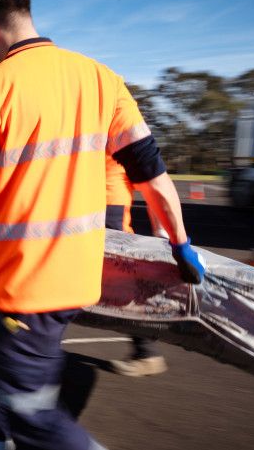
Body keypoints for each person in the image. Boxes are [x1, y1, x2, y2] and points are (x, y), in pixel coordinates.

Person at [0, 0, 206, 449]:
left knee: (30, 413)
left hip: (29, 283)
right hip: (79, 271)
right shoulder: (102, 79)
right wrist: (180, 243)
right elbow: (153, 175)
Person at [105, 157, 168, 377]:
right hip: (86, 209)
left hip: (109, 214)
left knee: (122, 290)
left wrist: (163, 234)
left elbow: (153, 183)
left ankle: (147, 353)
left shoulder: (119, 133)